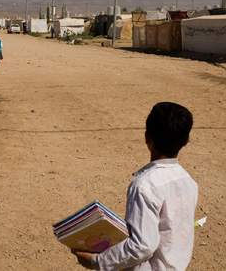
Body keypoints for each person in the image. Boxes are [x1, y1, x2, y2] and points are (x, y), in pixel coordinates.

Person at [72, 102, 198, 271]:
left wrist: (97, 261)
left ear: (147, 137)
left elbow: (142, 246)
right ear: (187, 140)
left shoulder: (144, 186)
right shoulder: (188, 181)